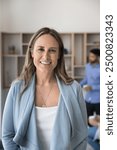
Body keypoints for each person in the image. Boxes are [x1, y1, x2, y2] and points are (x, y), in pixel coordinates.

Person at [2, 27, 87, 150]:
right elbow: (7, 134)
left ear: (59, 55)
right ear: (32, 53)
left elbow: (82, 135)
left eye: (52, 50)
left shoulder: (74, 89)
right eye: (40, 49)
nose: (46, 56)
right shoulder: (17, 88)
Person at [80, 48, 100, 118]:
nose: (90, 58)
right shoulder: (87, 66)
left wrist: (92, 87)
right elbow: (86, 78)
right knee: (87, 120)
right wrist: (79, 85)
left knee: (99, 123)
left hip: (98, 100)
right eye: (90, 56)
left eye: (92, 56)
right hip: (88, 99)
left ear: (98, 57)